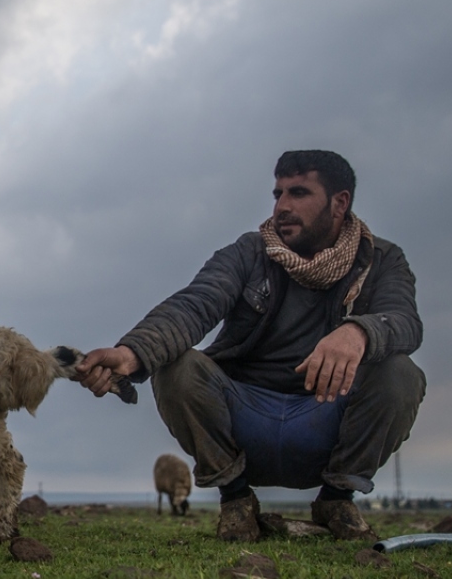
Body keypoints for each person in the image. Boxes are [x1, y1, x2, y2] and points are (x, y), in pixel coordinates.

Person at [76, 150, 425, 542]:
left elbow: (405, 322)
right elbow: (196, 303)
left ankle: (336, 499)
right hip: (246, 417)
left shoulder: (382, 261)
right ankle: (237, 501)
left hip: (326, 421)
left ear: (340, 202)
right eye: (278, 194)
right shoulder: (248, 253)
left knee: (401, 374)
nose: (283, 207)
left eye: (298, 193)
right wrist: (131, 354)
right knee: (177, 366)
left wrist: (358, 332)